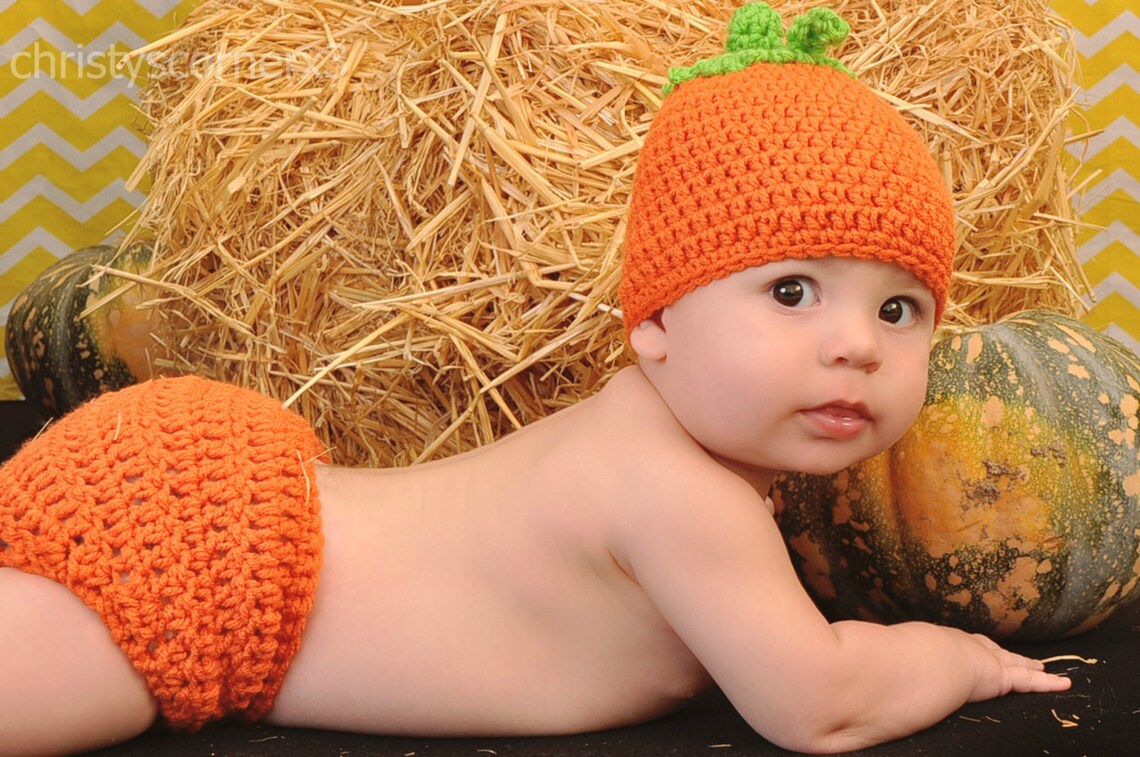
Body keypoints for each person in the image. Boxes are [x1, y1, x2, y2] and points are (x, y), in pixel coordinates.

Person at [0, 4, 1071, 755]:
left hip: (240, 485)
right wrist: (958, 660)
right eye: (792, 292)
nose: (857, 344)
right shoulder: (677, 494)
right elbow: (819, 705)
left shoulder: (642, 436)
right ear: (655, 319)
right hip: (214, 568)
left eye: (900, 308)